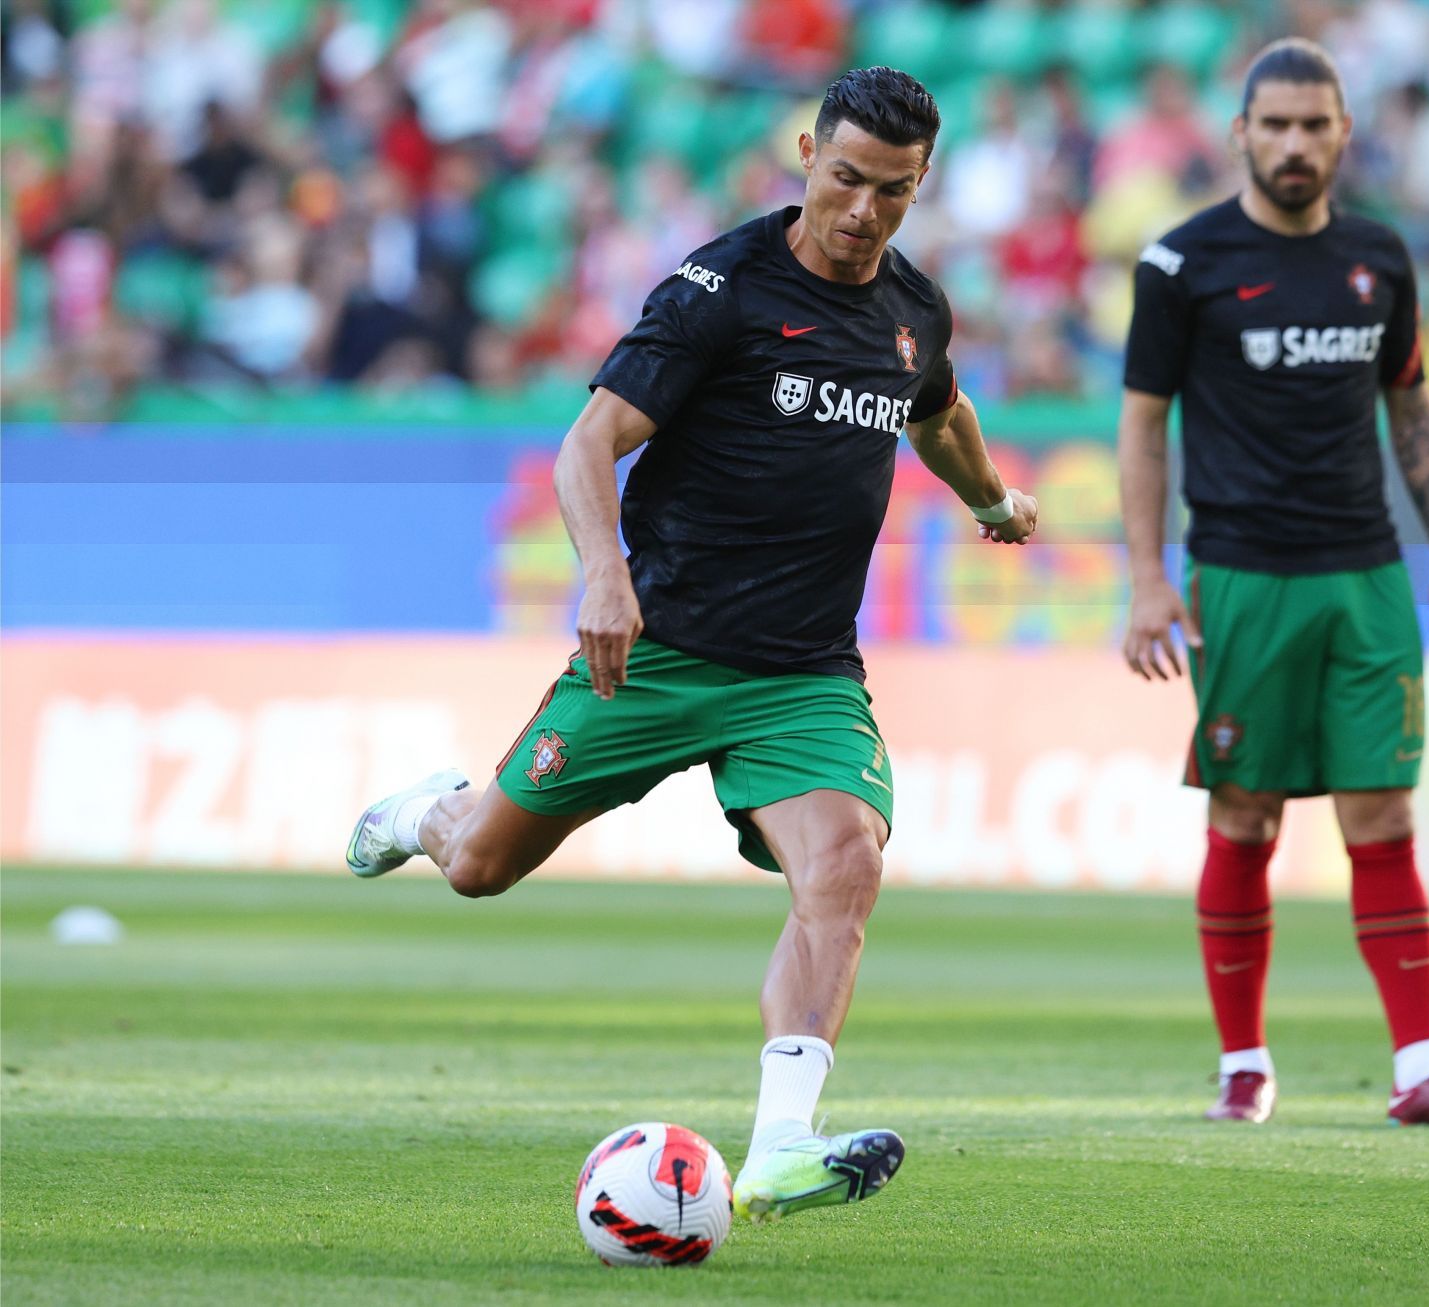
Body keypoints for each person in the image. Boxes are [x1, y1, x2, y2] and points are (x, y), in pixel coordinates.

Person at [345, 66, 1041, 1222]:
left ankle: (779, 1146)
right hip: (657, 648)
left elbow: (940, 411)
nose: (864, 212)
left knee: (846, 862)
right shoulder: (719, 290)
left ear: (925, 187)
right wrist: (605, 582)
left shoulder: (913, 308)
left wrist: (991, 498)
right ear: (809, 153)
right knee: (480, 867)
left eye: (896, 193)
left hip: (802, 672)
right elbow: (587, 445)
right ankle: (429, 808)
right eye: (849, 180)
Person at [1118, 39, 1429, 1130]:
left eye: (1315, 124)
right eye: (1276, 124)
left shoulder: (1380, 257)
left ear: (1345, 133)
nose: (1295, 143)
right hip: (1244, 578)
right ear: (1240, 133)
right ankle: (1244, 1063)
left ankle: (1422, 1067)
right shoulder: (1180, 264)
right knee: (1246, 816)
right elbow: (1145, 423)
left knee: (1383, 809)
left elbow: (1412, 407)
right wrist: (1150, 576)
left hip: (1370, 576)